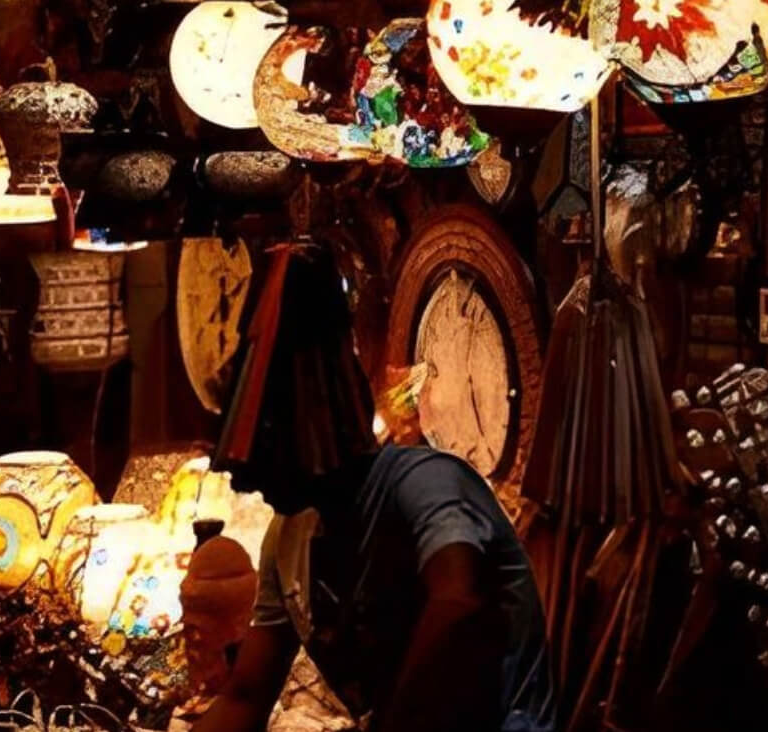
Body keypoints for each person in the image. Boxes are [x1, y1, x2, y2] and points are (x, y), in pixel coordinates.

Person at [199, 251, 555, 732]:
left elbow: (458, 600)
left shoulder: (424, 483)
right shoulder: (287, 541)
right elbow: (245, 697)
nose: (246, 480)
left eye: (261, 457)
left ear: (307, 441)